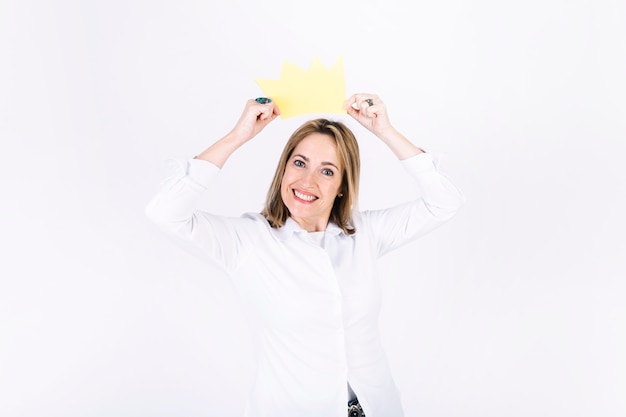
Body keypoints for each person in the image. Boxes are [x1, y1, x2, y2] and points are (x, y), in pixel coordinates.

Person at [145, 93, 464, 417]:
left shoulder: (364, 234)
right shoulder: (248, 241)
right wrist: (238, 135)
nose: (307, 181)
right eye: (299, 163)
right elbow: (165, 212)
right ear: (284, 168)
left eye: (327, 171)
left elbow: (444, 202)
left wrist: (385, 131)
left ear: (342, 184)